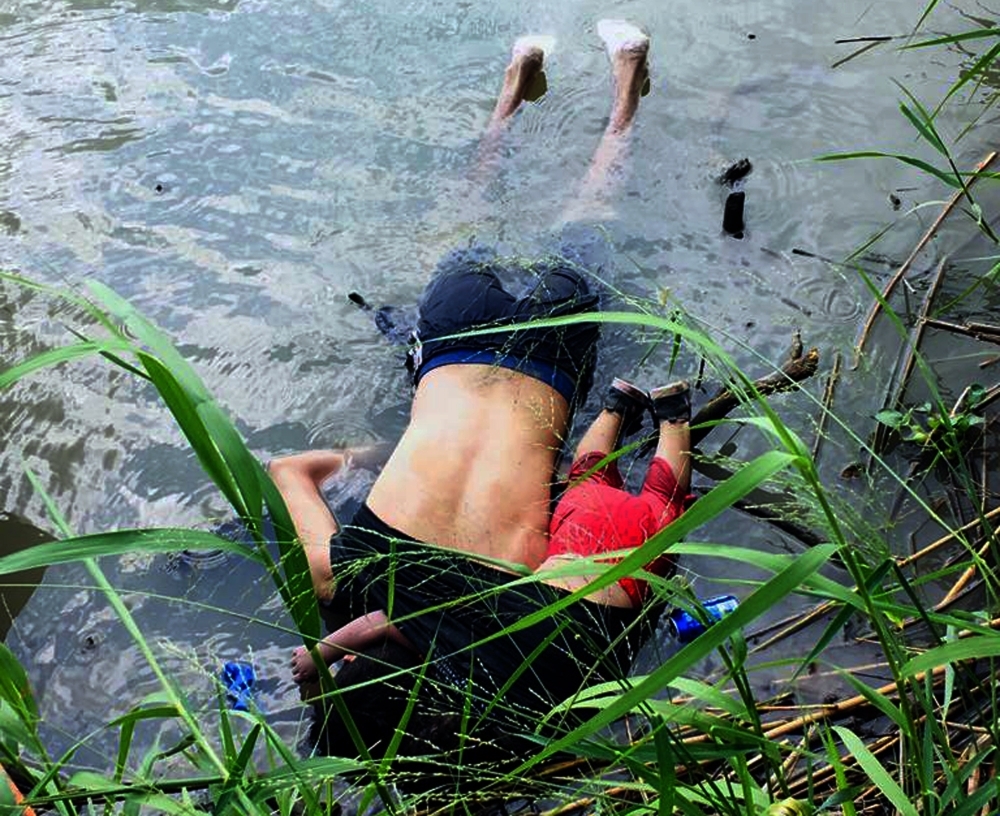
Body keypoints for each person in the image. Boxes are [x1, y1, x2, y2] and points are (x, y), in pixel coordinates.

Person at [269, 20, 662, 779]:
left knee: (591, 213)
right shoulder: (344, 575)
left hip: (549, 354)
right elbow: (292, 468)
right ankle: (515, 82)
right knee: (470, 214)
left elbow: (601, 551)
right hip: (453, 340)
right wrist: (382, 459)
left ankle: (624, 84)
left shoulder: (507, 617)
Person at [287, 377, 693, 684]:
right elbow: (384, 621)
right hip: (576, 534)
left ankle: (673, 418)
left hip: (627, 568)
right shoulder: (446, 647)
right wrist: (319, 655)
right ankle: (618, 405)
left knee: (662, 495)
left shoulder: (474, 680)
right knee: (588, 475)